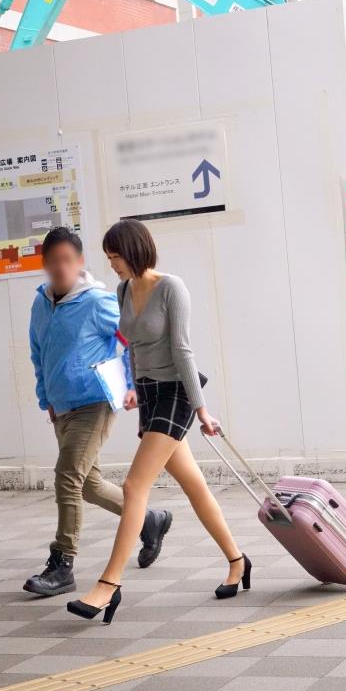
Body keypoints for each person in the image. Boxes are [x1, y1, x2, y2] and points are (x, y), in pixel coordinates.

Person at [67, 219, 251, 624]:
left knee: (134, 486)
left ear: (134, 251)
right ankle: (238, 560)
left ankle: (109, 584)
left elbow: (183, 351)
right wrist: (133, 387)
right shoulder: (123, 289)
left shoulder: (171, 288)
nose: (111, 264)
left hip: (176, 394)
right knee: (194, 484)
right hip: (150, 395)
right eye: (109, 257)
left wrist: (201, 410)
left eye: (115, 256)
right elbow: (131, 345)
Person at [23, 226, 172, 597]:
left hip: (95, 402)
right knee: (88, 485)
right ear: (44, 265)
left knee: (67, 477)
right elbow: (38, 354)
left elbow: (132, 338)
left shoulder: (96, 302)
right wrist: (46, 398)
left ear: (79, 262)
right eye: (53, 261)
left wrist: (131, 384)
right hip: (62, 407)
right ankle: (148, 520)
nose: (60, 267)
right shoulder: (41, 303)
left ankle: (62, 564)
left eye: (67, 260)